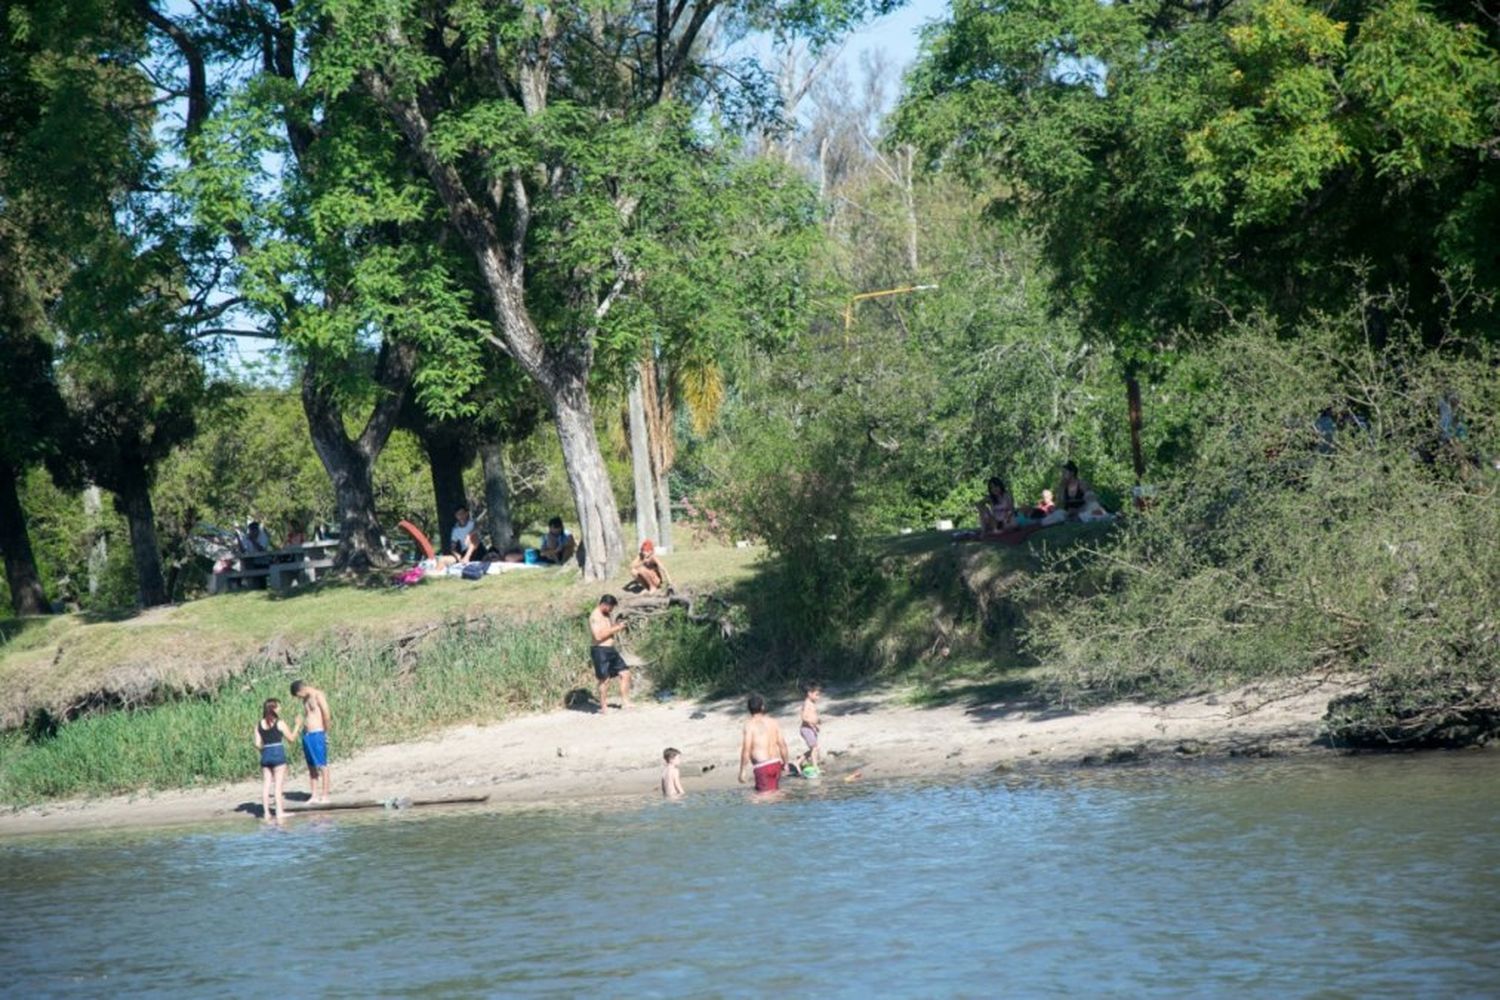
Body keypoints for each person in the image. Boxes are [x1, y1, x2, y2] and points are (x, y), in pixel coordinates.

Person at [254, 698, 297, 823]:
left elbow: (257, 744)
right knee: (278, 786)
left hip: (266, 754)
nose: (280, 709)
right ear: (273, 709)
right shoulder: (280, 723)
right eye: (278, 707)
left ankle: (266, 813)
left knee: (266, 784)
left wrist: (264, 751)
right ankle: (279, 812)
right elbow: (291, 739)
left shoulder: (258, 724)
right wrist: (297, 725)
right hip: (278, 754)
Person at [738, 692, 791, 794]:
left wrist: (742, 771)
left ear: (749, 709)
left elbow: (746, 749)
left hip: (763, 766)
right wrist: (786, 763)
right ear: (762, 707)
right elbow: (782, 744)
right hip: (776, 763)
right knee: (774, 792)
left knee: (762, 798)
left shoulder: (749, 726)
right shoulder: (773, 722)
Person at [290, 679, 332, 803]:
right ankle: (314, 795)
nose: (299, 698)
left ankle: (325, 795)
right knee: (311, 766)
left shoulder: (317, 695)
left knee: (323, 765)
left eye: (298, 696)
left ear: (301, 690)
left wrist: (326, 732)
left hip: (318, 733)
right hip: (307, 735)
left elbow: (326, 714)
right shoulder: (305, 699)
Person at [588, 594, 631, 714]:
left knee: (625, 673)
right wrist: (616, 628)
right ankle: (603, 707)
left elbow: (607, 629)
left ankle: (626, 702)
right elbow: (598, 636)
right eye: (611, 607)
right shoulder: (595, 616)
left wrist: (617, 625)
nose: (612, 610)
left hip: (611, 649)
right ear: (605, 605)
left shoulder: (606, 614)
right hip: (600, 650)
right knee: (604, 679)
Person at [796, 681, 823, 775]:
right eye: (816, 695)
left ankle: (798, 762)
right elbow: (804, 717)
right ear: (809, 694)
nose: (818, 697)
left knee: (814, 748)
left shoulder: (812, 703)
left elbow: (812, 716)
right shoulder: (807, 703)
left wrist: (816, 725)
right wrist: (812, 723)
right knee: (814, 748)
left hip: (811, 728)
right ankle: (815, 767)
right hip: (806, 729)